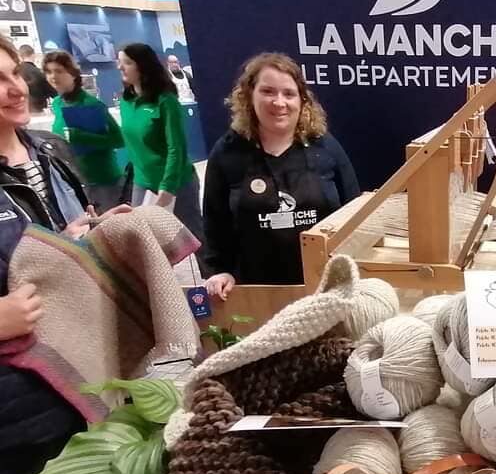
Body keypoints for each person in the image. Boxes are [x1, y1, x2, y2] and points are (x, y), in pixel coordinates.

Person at [0, 35, 130, 474]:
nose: (15, 87)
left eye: (14, 74)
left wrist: (93, 237)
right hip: (8, 421)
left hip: (74, 396)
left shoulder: (47, 154)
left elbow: (69, 242)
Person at [203, 52, 359, 295]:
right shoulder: (227, 152)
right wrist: (219, 270)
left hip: (323, 287)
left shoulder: (325, 147)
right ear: (249, 96)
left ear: (302, 100)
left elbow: (354, 210)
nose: (279, 102)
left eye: (289, 93)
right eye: (267, 92)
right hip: (255, 289)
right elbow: (215, 222)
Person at [117, 42, 203, 243]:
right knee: (144, 241)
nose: (120, 67)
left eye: (127, 62)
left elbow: (177, 147)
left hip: (176, 182)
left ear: (143, 66)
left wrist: (168, 185)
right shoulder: (126, 102)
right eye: (120, 62)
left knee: (194, 237)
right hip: (143, 183)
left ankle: (215, 274)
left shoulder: (165, 100)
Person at [43, 49, 127, 212]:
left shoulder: (92, 105)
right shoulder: (57, 103)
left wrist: (82, 137)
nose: (53, 77)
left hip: (102, 181)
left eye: (59, 71)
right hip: (75, 181)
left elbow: (118, 140)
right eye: (48, 72)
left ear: (73, 74)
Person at [17, 44, 55, 114]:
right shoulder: (39, 72)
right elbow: (53, 93)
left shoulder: (16, 73)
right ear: (33, 55)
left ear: (20, 56)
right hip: (39, 109)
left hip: (21, 110)